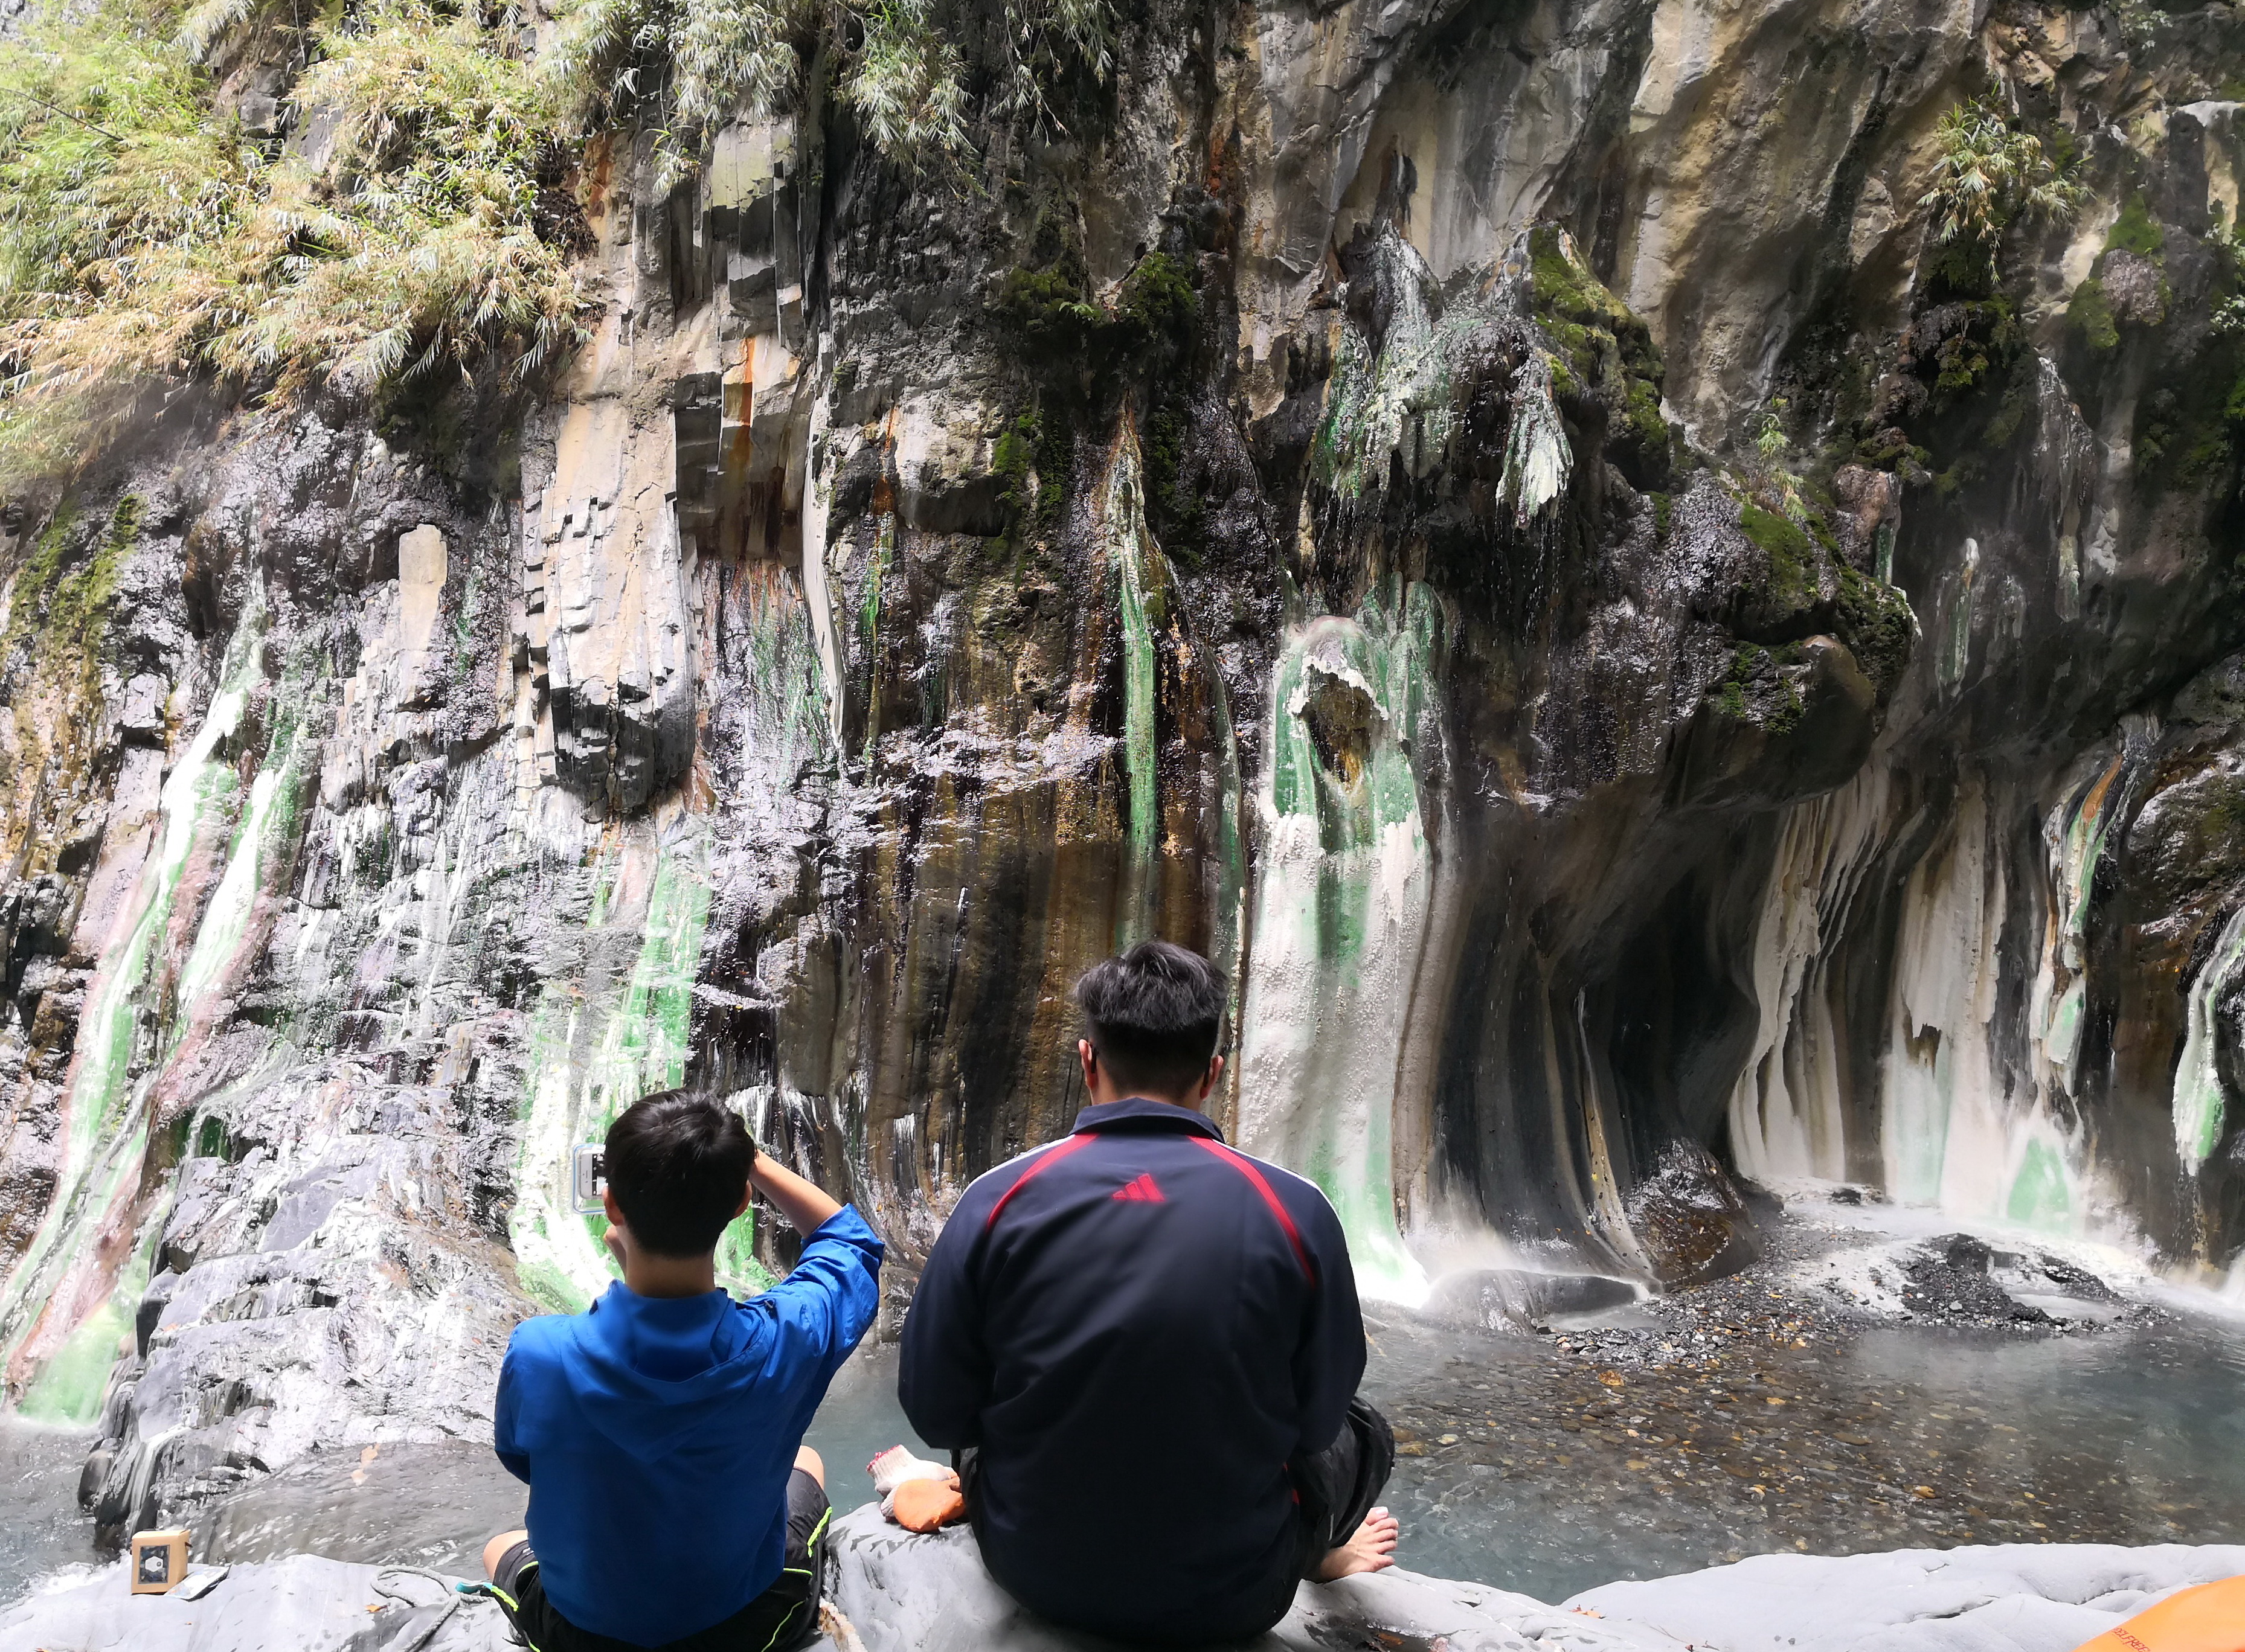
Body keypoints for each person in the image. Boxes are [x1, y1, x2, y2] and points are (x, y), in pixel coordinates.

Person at [897, 939, 1399, 1645]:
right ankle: (1310, 1549)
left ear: (1087, 1062)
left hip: (1036, 1572)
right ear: (1213, 1075)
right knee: (1363, 1426)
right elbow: (1318, 1426)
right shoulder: (1298, 1210)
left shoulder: (996, 1199)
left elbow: (937, 1414)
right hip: (1237, 1594)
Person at [482, 1090, 883, 1652]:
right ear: (741, 1201)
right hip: (744, 1625)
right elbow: (850, 1243)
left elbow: (526, 1461)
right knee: (807, 1461)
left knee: (499, 1547)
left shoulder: (538, 1352)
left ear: (611, 1204)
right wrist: (748, 1159)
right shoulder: (788, 1337)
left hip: (586, 1636)